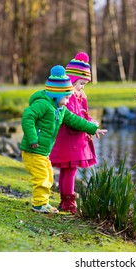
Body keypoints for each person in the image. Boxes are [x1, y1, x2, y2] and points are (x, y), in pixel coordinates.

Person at [20, 65, 107, 214]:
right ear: (56, 94)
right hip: (33, 149)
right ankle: (39, 204)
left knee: (48, 176)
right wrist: (33, 138)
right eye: (66, 97)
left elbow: (75, 120)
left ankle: (43, 202)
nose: (68, 101)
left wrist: (93, 129)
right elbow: (28, 117)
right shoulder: (43, 104)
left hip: (42, 151)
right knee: (42, 177)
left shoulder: (60, 109)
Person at [50, 52, 99, 214]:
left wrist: (91, 121)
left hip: (75, 140)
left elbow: (83, 115)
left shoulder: (79, 97)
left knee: (67, 171)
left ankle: (65, 201)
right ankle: (68, 203)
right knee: (69, 171)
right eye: (80, 83)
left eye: (84, 84)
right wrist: (89, 126)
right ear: (71, 80)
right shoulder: (68, 98)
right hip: (69, 141)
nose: (82, 87)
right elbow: (72, 119)